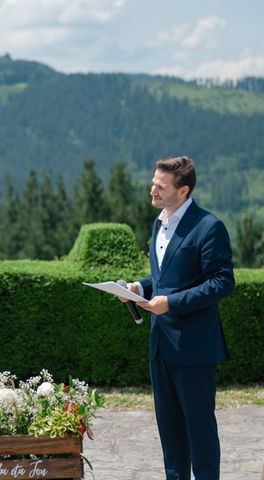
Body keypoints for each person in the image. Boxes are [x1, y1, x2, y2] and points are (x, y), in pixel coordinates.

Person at [121, 155, 234, 480]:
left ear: (182, 191)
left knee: (200, 433)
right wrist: (139, 287)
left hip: (195, 348)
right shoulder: (159, 222)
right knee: (170, 436)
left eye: (160, 186)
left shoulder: (209, 227)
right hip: (161, 346)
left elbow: (222, 283)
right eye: (153, 182)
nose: (152, 190)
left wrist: (170, 302)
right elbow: (166, 276)